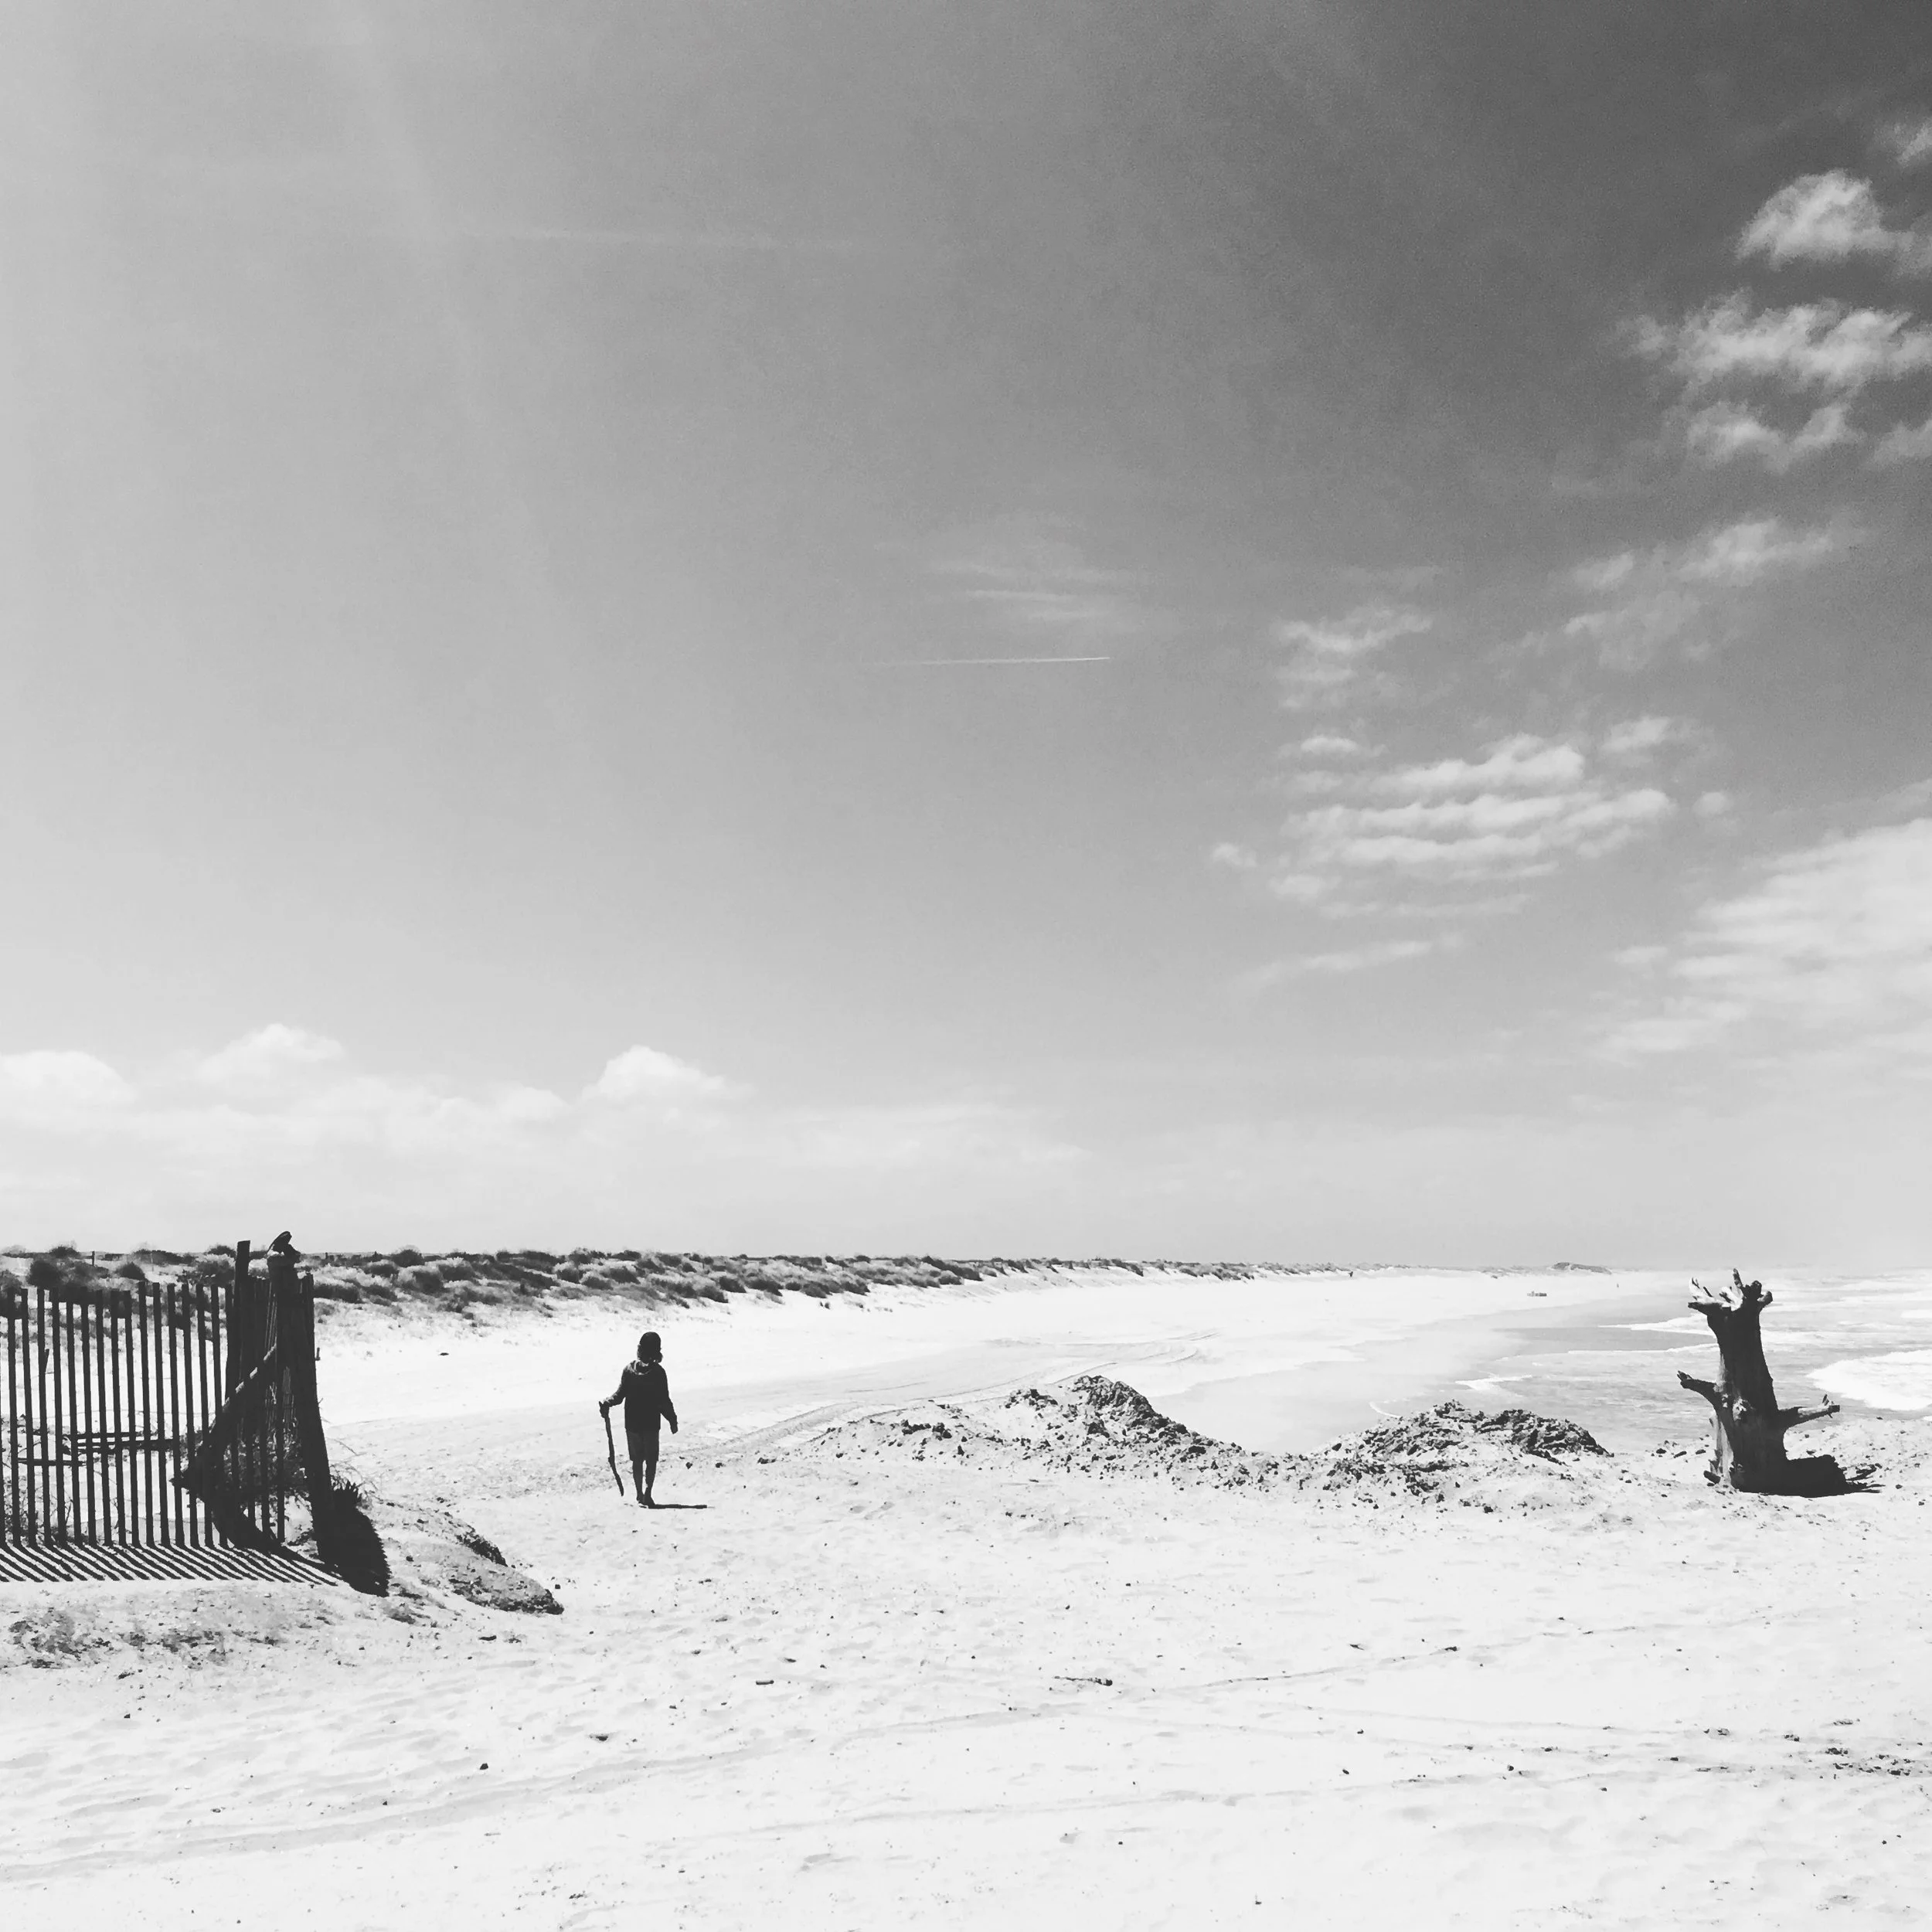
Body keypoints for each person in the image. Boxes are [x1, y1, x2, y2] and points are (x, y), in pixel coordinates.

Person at [600, 1331, 679, 1507]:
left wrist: (607, 1402)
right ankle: (647, 1493)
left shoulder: (629, 1370)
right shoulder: (658, 1373)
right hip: (650, 1424)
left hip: (633, 1423)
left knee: (637, 1460)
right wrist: (672, 1419)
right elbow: (664, 1400)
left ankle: (639, 1494)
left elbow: (619, 1396)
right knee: (651, 1460)